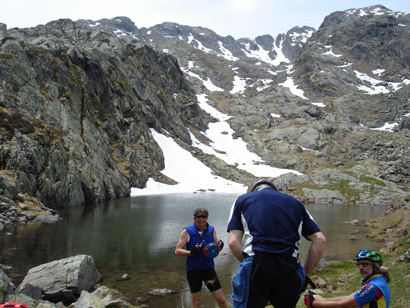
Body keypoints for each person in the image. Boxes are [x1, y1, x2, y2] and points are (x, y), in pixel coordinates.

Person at [227, 179, 327, 308]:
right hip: (289, 265)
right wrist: (306, 275)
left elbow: (233, 242)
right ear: (275, 190)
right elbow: (320, 240)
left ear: (254, 190)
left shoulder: (243, 200)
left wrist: (248, 263)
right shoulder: (296, 203)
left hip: (256, 261)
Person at [175, 208, 228, 308]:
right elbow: (177, 251)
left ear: (207, 219)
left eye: (204, 222)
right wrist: (191, 252)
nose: (202, 225)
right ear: (194, 219)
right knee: (196, 302)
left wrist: (220, 246)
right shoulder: (187, 232)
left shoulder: (211, 230)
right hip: (194, 271)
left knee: (221, 300)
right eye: (199, 222)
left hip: (209, 270)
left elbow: (216, 248)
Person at [304, 249, 391, 308]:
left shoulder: (373, 287)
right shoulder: (378, 280)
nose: (361, 268)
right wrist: (323, 299)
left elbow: (344, 305)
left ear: (375, 266)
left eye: (365, 264)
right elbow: (349, 298)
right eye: (359, 264)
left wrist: (313, 303)